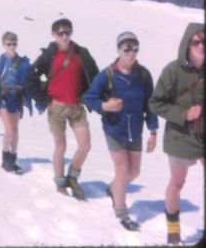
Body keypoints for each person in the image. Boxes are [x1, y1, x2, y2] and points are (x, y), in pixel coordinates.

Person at [83, 32, 158, 231]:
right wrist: (105, 106)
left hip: (135, 130)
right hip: (114, 129)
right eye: (126, 49)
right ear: (118, 50)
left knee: (134, 172)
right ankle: (122, 212)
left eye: (135, 49)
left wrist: (153, 131)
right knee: (123, 170)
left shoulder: (143, 75)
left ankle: (113, 188)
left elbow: (150, 104)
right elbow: (89, 97)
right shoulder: (107, 74)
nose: (131, 54)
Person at [25, 17, 99, 199]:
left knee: (85, 145)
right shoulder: (48, 55)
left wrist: (90, 98)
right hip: (56, 107)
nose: (64, 36)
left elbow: (96, 78)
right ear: (53, 35)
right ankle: (60, 182)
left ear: (71, 33)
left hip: (76, 107)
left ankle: (72, 177)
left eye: (67, 32)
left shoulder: (82, 53)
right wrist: (44, 100)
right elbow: (30, 79)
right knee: (60, 146)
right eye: (60, 33)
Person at [149, 23, 204, 245]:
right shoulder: (173, 71)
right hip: (180, 137)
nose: (202, 45)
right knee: (177, 184)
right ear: (187, 44)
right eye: (196, 41)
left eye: (205, 41)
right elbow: (155, 103)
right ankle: (173, 231)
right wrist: (183, 113)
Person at [0, 31, 32, 174]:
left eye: (14, 44)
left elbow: (33, 78)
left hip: (17, 99)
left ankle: (13, 158)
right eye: (9, 44)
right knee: (10, 130)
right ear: (3, 45)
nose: (12, 47)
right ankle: (5, 157)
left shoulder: (23, 63)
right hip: (4, 99)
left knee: (15, 130)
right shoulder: (0, 62)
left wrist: (45, 80)